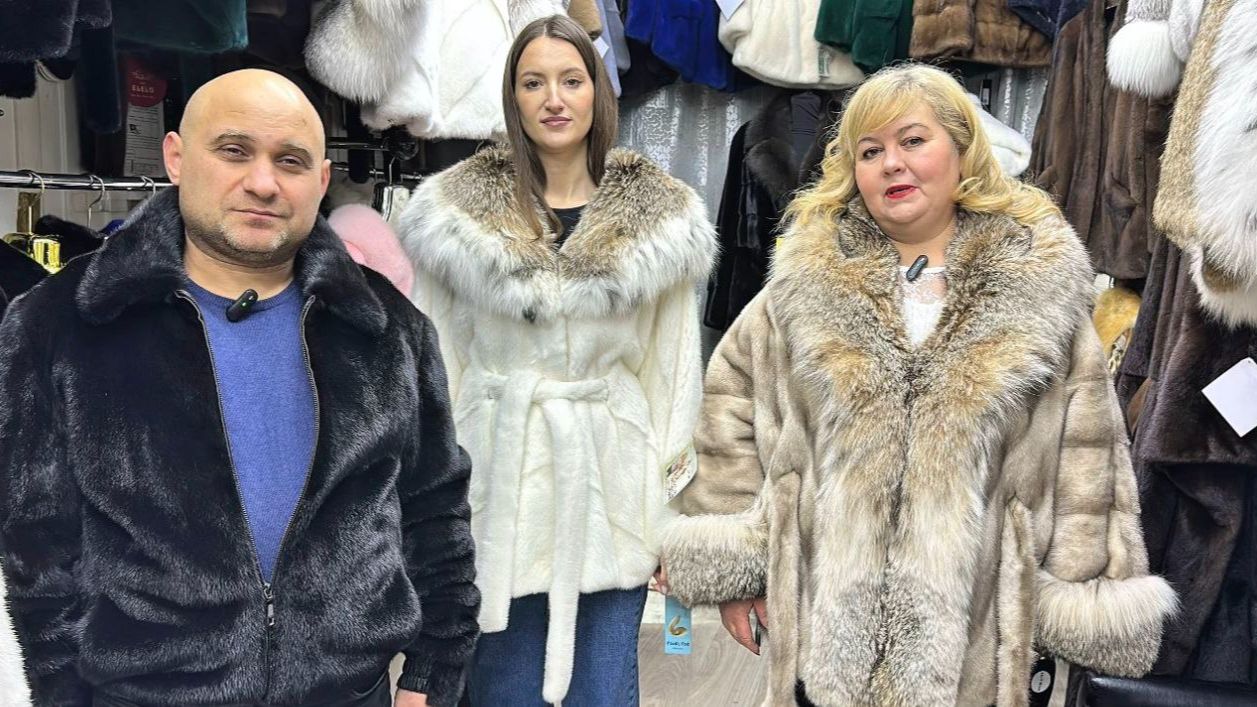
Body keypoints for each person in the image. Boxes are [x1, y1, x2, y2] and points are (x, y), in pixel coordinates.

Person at [660, 64, 1177, 706]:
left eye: (912, 141)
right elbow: (729, 415)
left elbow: (1088, 468)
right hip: (825, 637)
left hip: (978, 649)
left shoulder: (1040, 297)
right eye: (870, 151)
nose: (891, 164)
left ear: (962, 151)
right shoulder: (799, 292)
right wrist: (737, 570)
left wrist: (1073, 606)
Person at [0, 69, 479, 707]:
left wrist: (431, 675)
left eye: (290, 161)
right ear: (176, 157)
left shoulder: (386, 327)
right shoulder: (62, 323)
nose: (263, 182)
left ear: (322, 181)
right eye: (234, 151)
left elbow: (435, 508)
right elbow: (36, 543)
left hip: (348, 693)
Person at [398, 15, 716, 706]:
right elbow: (432, 370)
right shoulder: (456, 218)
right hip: (493, 487)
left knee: (603, 689)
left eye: (571, 80)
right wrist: (431, 508)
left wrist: (676, 521)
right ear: (511, 96)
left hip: (612, 491)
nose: (553, 99)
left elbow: (672, 378)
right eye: (532, 82)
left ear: (598, 91)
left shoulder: (658, 222)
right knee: (502, 688)